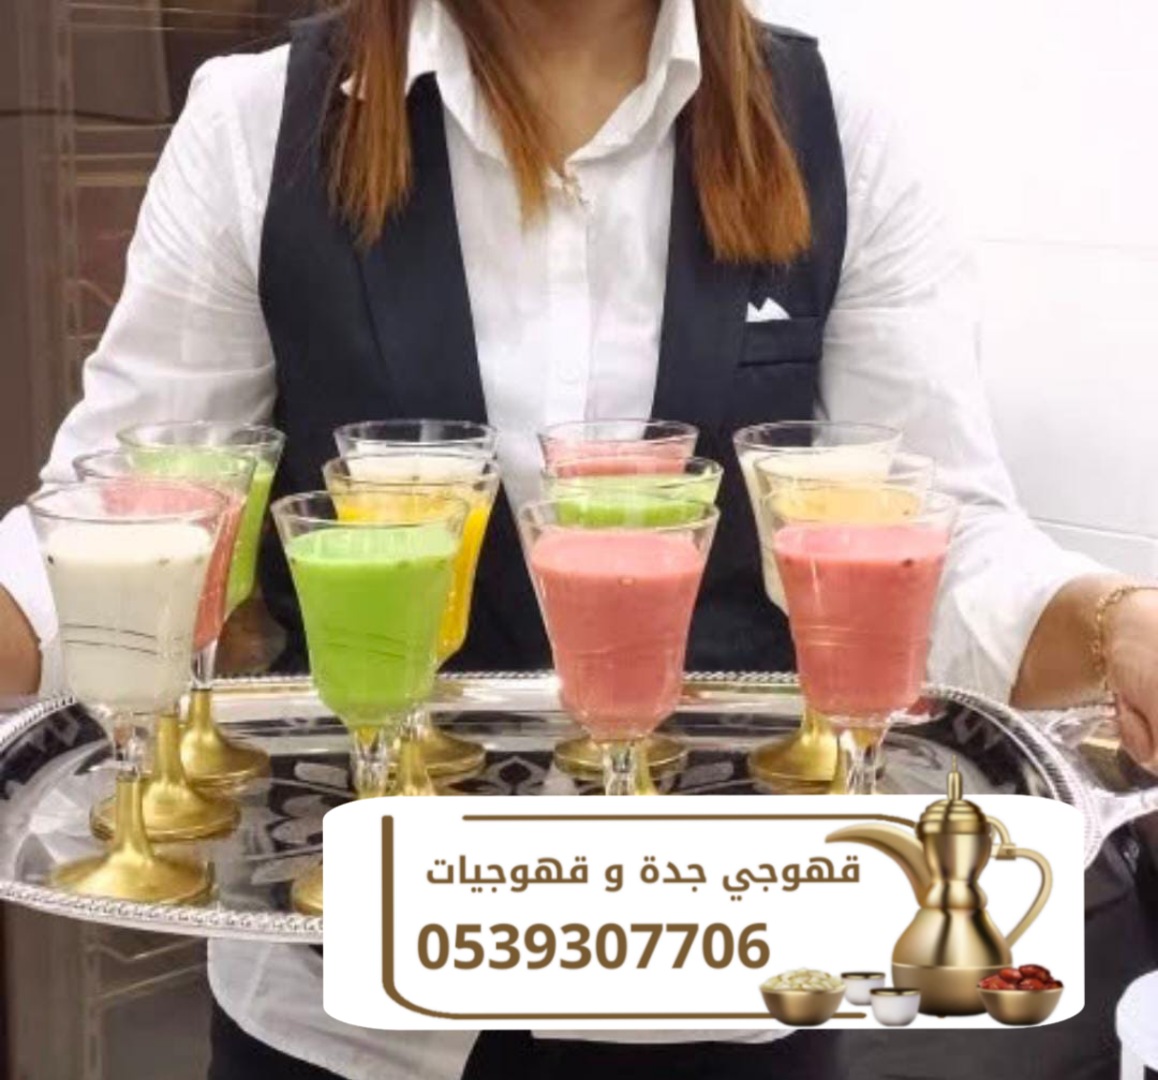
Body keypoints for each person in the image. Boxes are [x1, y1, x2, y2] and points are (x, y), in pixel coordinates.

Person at [0, 1, 1154, 1077]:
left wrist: (1119, 627)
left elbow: (940, 539)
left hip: (726, 980)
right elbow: (136, 509)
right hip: (341, 1012)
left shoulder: (841, 133)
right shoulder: (257, 122)